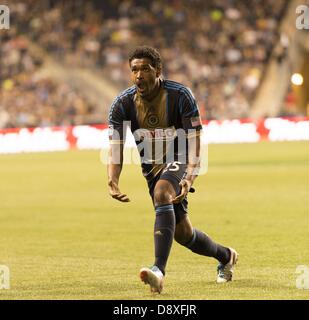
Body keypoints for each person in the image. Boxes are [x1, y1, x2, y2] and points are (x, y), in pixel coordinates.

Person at [107, 46, 238, 293]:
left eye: (145, 69)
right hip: (151, 169)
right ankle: (226, 256)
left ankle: (158, 271)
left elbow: (195, 141)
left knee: (162, 192)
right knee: (183, 234)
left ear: (158, 70)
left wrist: (190, 175)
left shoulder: (180, 96)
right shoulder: (122, 104)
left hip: (180, 158)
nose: (138, 75)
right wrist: (112, 180)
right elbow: (115, 145)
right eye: (134, 69)